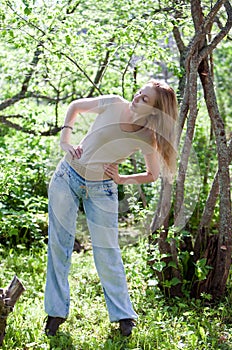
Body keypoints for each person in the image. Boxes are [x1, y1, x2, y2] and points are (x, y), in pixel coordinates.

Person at [44, 80, 178, 337]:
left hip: (102, 189)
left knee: (108, 252)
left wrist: (123, 179)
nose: (137, 97)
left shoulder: (147, 137)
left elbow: (153, 174)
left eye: (145, 99)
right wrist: (65, 138)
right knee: (59, 246)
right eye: (139, 92)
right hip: (67, 176)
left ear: (154, 111)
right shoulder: (114, 103)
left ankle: (124, 316)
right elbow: (75, 106)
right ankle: (55, 313)